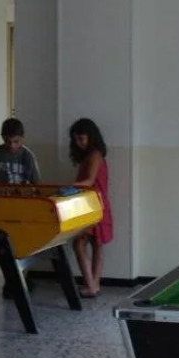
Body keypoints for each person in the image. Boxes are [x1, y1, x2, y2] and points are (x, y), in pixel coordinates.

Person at [68, 118, 112, 298]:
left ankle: (91, 285)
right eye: (76, 140)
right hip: (95, 204)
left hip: (93, 205)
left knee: (80, 243)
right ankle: (94, 285)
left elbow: (89, 181)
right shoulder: (93, 155)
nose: (78, 143)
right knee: (96, 244)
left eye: (81, 139)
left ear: (91, 137)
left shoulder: (94, 155)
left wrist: (67, 188)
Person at [0, 118, 41, 184]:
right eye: (7, 141)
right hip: (0, 190)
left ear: (22, 138)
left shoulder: (28, 156)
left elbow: (36, 183)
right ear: (3, 137)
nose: (12, 145)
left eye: (16, 141)